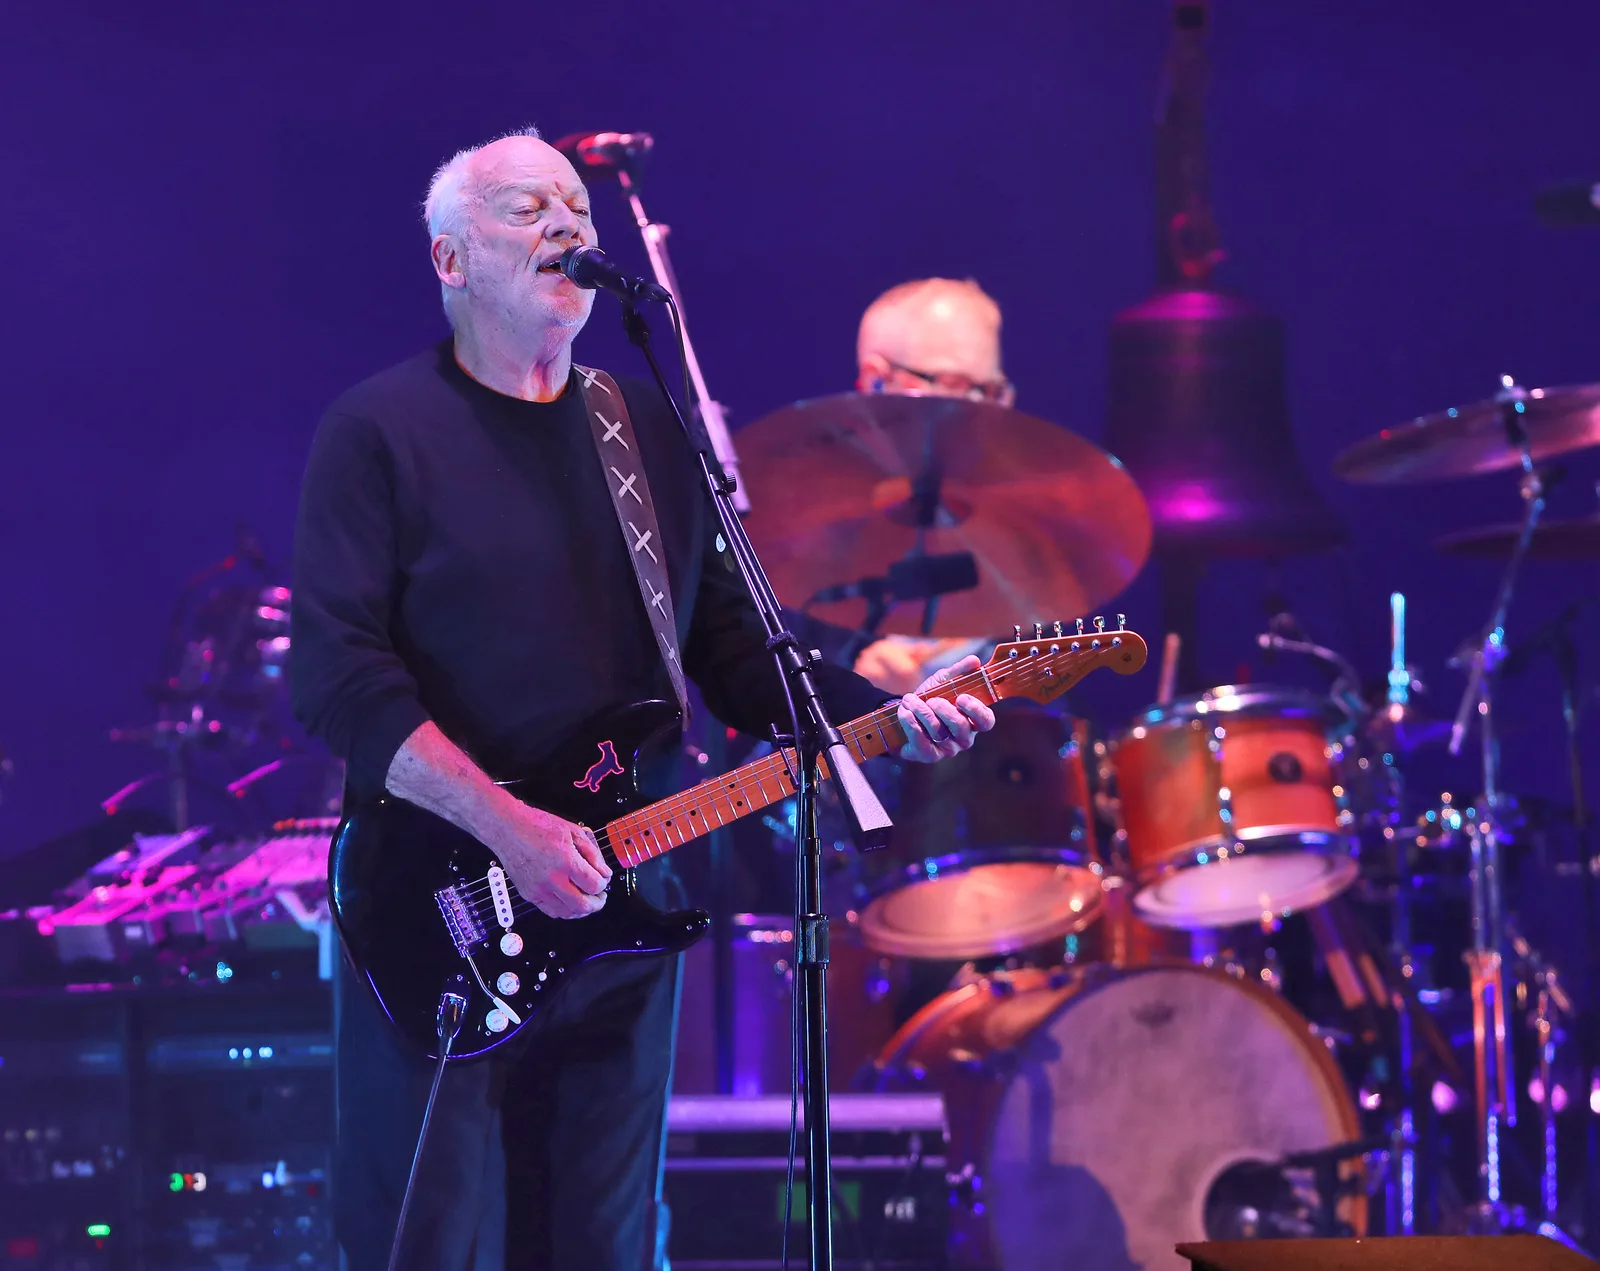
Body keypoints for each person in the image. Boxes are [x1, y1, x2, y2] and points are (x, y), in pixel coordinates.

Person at [289, 128, 995, 1271]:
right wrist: (509, 828)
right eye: (527, 209)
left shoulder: (642, 429)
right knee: (431, 1242)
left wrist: (880, 707)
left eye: (576, 206)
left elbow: (733, 648)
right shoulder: (379, 431)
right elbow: (334, 674)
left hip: (626, 900)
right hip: (442, 905)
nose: (567, 226)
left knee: (604, 1245)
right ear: (450, 259)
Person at [849, 277, 1014, 695]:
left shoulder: (1022, 528)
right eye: (954, 385)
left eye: (990, 390)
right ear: (876, 381)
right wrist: (850, 685)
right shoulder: (799, 520)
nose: (978, 409)